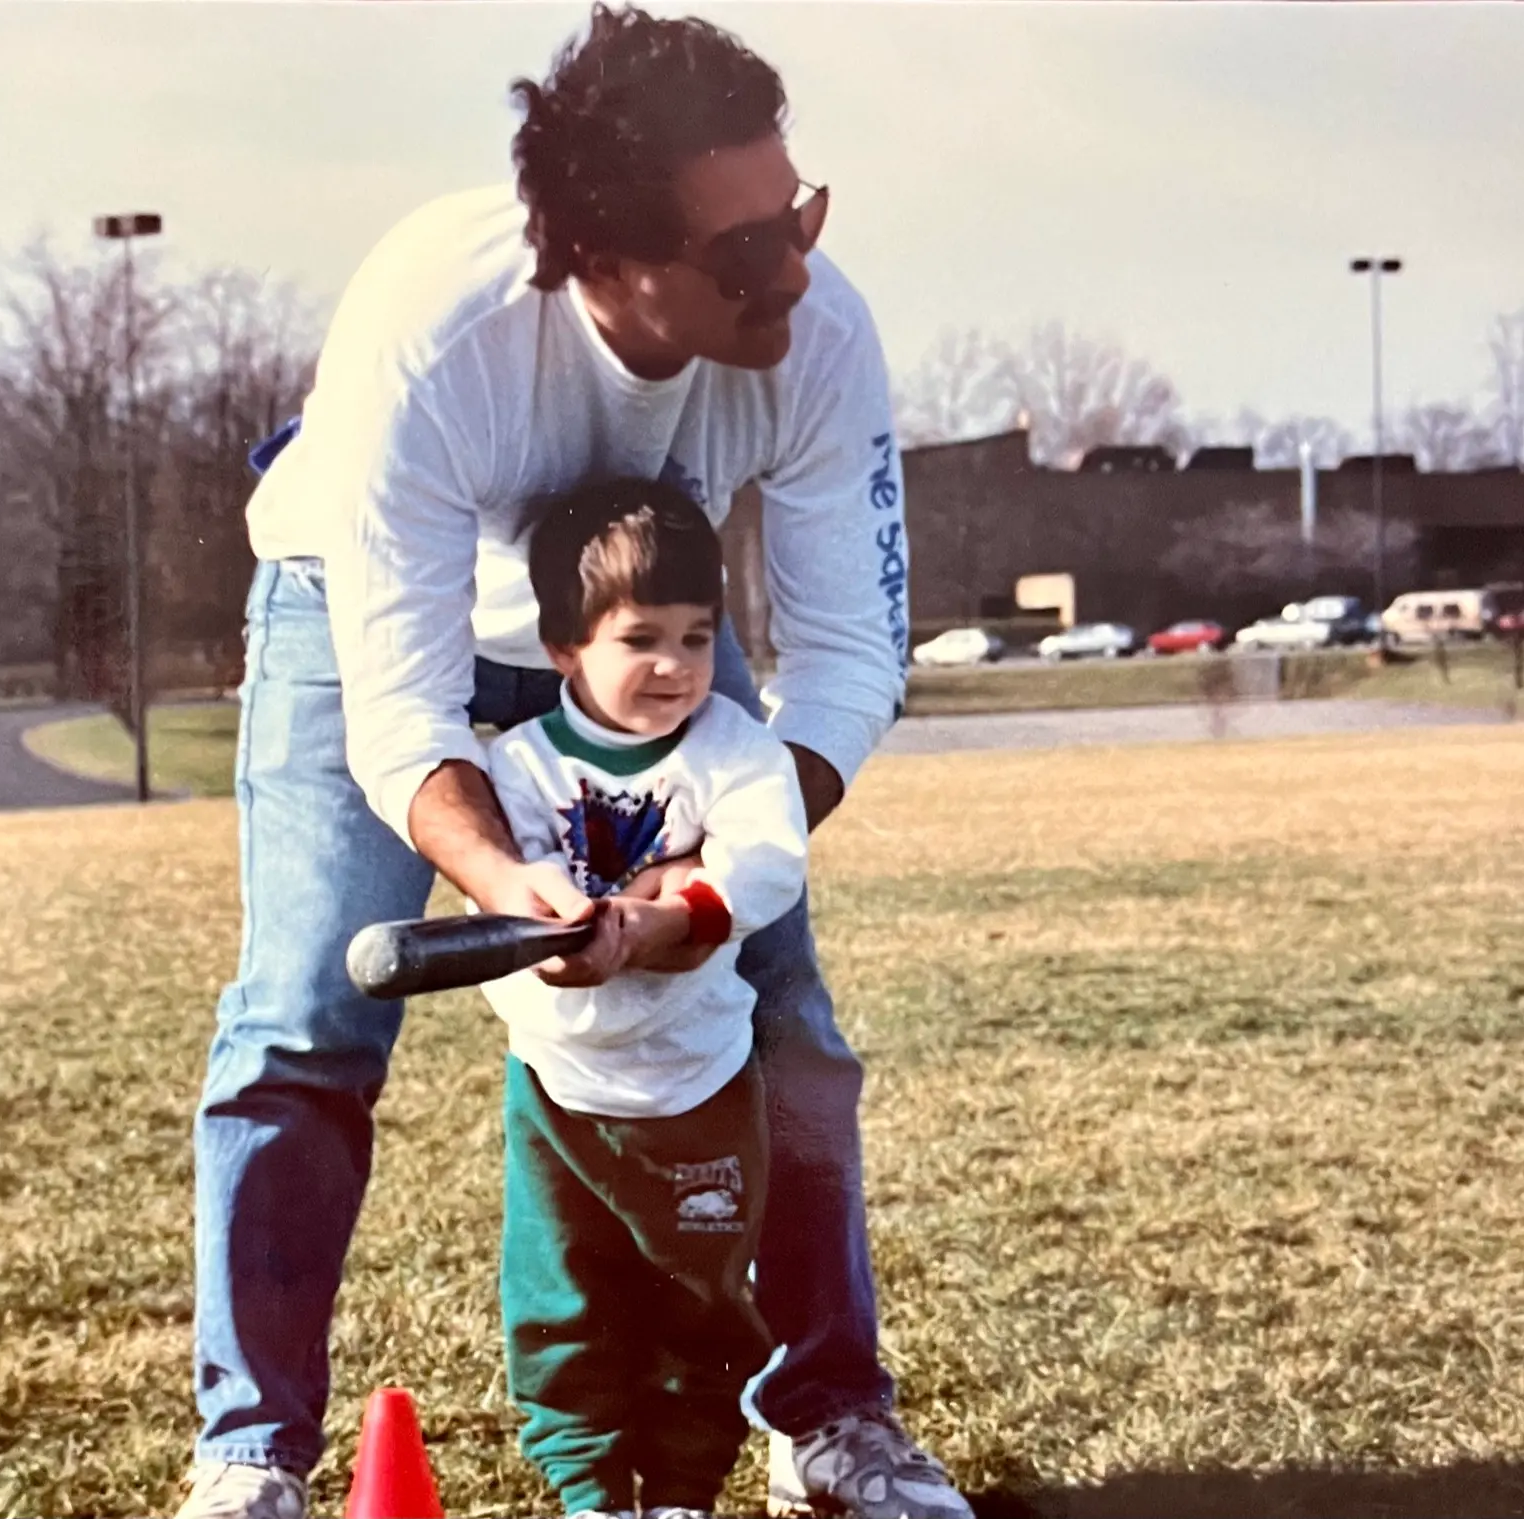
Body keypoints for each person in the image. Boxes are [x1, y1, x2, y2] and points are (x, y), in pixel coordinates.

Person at [178, 8, 972, 1519]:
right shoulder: (436, 316)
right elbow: (406, 713)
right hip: (358, 616)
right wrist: (519, 883)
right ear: (600, 257)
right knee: (303, 1015)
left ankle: (833, 1417)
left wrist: (706, 886)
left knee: (783, 1011)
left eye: (797, 217)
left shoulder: (819, 332)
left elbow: (850, 658)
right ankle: (249, 1455)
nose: (793, 273)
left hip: (642, 630)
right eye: (744, 252)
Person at [484, 479, 808, 1519]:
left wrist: (671, 917)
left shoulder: (732, 750)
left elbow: (763, 864)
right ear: (563, 646)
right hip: (559, 1084)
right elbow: (513, 899)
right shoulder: (517, 768)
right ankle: (590, 1492)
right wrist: (573, 927)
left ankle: (678, 1493)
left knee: (700, 1298)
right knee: (560, 1300)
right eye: (640, 639)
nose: (674, 665)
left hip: (695, 1076)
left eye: (697, 636)